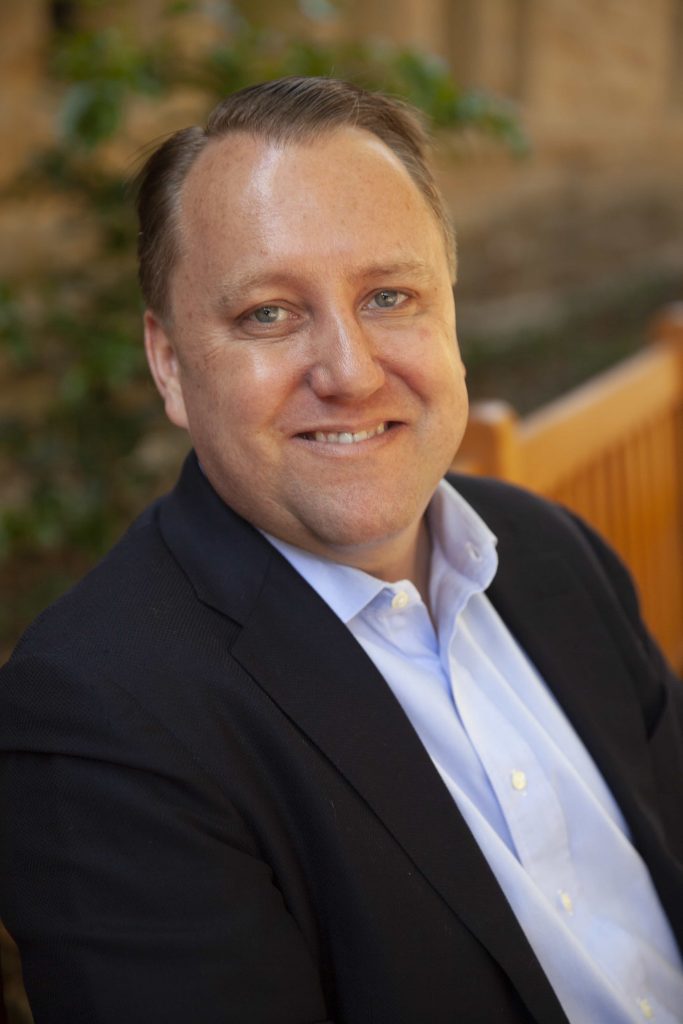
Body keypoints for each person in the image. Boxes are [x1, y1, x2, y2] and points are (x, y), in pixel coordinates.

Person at [0, 76, 682, 1024]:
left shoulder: (549, 551)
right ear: (169, 364)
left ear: (449, 314)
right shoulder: (102, 716)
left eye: (390, 295)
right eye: (268, 315)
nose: (350, 373)